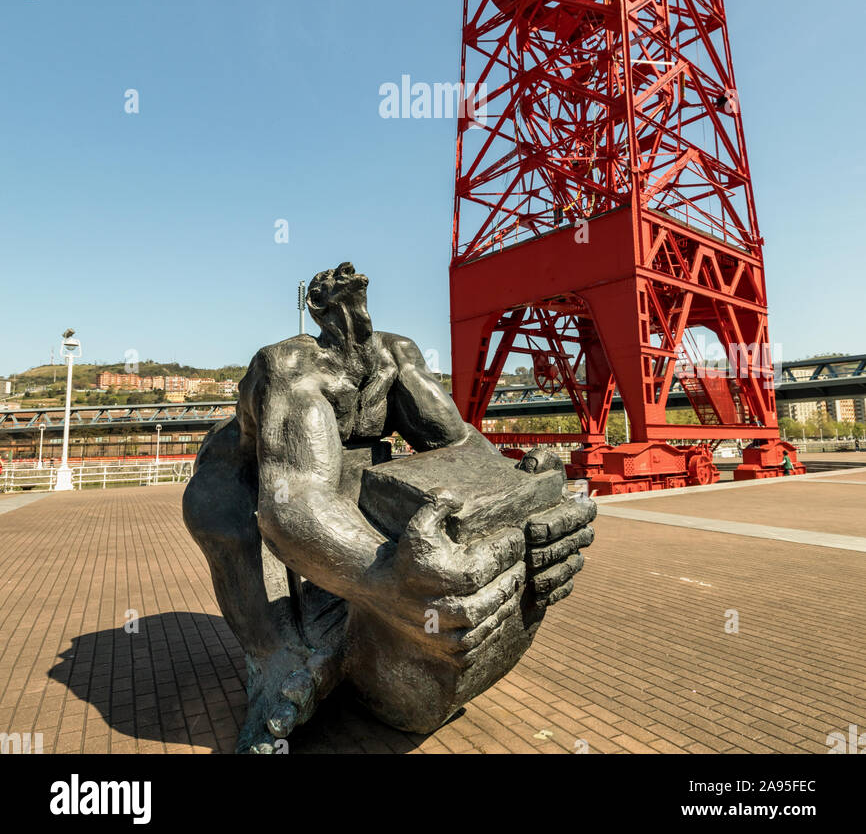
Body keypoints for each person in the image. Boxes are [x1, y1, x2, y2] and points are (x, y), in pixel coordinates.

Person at [184, 262, 593, 751]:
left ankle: (341, 638)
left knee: (353, 531)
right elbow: (294, 502)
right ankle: (274, 668)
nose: (350, 275)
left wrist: (521, 489)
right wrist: (387, 582)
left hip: (338, 468)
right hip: (242, 478)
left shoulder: (395, 354)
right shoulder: (288, 366)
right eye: (331, 281)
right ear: (316, 306)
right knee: (226, 524)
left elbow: (456, 442)